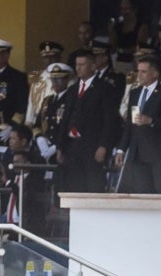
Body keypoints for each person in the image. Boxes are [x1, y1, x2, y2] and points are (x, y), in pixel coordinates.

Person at [115, 56, 161, 194]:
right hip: (137, 152)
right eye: (138, 71)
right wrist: (121, 149)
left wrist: (151, 121)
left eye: (143, 71)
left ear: (155, 73)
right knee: (141, 193)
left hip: (158, 154)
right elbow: (130, 124)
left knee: (160, 192)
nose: (139, 75)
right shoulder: (135, 93)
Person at [57, 55, 115, 194]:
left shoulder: (104, 88)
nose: (78, 68)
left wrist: (103, 146)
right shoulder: (72, 89)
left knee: (93, 185)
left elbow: (109, 120)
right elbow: (65, 119)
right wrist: (60, 146)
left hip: (92, 146)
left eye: (82, 64)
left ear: (93, 67)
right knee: (74, 185)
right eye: (77, 64)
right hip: (72, 145)